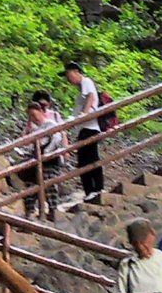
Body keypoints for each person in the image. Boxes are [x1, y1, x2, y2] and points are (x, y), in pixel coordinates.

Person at [12, 91, 69, 221]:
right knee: (31, 184)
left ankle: (53, 210)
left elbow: (57, 137)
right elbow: (28, 145)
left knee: (49, 184)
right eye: (30, 116)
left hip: (50, 159)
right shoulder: (35, 130)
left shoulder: (50, 124)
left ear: (40, 112)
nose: (33, 118)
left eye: (34, 115)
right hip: (38, 158)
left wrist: (47, 152)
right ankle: (30, 212)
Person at [63, 57, 107, 205]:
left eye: (69, 75)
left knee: (90, 158)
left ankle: (97, 188)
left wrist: (85, 113)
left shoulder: (86, 82)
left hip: (90, 127)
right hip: (84, 127)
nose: (69, 79)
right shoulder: (81, 88)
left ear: (77, 72)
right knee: (85, 160)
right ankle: (91, 190)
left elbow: (91, 96)